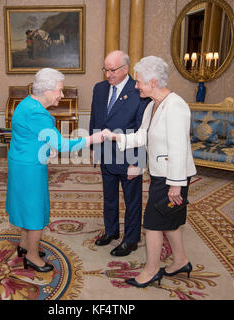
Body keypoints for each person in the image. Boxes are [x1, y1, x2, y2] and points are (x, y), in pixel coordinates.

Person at [103, 56, 197, 287]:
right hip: (160, 173)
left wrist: (176, 184)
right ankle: (180, 261)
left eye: (139, 82)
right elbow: (143, 136)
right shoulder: (153, 105)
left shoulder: (175, 106)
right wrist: (115, 136)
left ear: (153, 81)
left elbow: (179, 148)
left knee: (153, 224)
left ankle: (151, 270)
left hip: (171, 178)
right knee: (171, 221)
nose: (136, 86)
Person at [6, 68, 103, 272]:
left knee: (25, 205)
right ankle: (32, 256)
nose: (62, 95)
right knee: (36, 211)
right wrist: (91, 139)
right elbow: (62, 145)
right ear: (47, 90)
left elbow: (28, 135)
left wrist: (45, 145)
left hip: (20, 161)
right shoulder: (37, 113)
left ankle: (24, 246)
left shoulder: (27, 104)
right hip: (30, 168)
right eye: (59, 90)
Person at [89, 50, 150, 257]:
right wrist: (93, 148)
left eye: (112, 70)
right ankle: (111, 231)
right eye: (105, 69)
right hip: (105, 153)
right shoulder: (99, 89)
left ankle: (131, 239)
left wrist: (138, 162)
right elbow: (95, 120)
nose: (108, 74)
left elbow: (142, 130)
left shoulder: (139, 92)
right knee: (109, 197)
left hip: (129, 156)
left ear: (125, 69)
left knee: (132, 201)